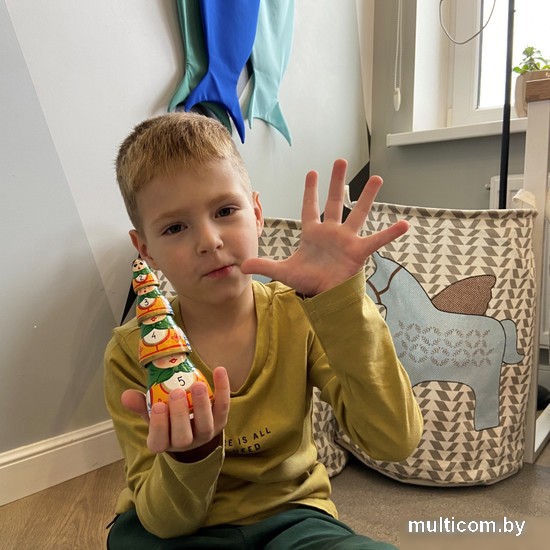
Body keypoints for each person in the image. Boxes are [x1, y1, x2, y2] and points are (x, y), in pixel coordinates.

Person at [105, 112, 423, 549]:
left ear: (256, 214)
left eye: (225, 211)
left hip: (293, 517)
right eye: (175, 227)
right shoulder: (130, 353)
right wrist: (190, 455)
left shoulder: (299, 313)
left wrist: (343, 305)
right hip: (177, 532)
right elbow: (164, 520)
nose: (209, 240)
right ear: (146, 250)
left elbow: (393, 440)